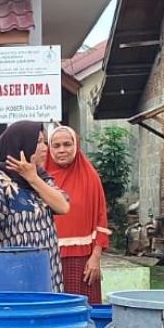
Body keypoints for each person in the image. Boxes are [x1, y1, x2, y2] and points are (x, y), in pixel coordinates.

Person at [0, 120, 71, 292]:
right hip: (15, 273)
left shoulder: (41, 177)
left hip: (46, 272)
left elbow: (63, 206)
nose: (45, 148)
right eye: (39, 141)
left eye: (45, 142)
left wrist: (33, 178)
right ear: (22, 145)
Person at [44, 125, 109, 303]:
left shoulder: (90, 177)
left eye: (67, 144)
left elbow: (101, 219)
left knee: (83, 312)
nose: (62, 150)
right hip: (47, 258)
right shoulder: (41, 178)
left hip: (82, 260)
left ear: (76, 146)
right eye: (56, 146)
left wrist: (95, 257)